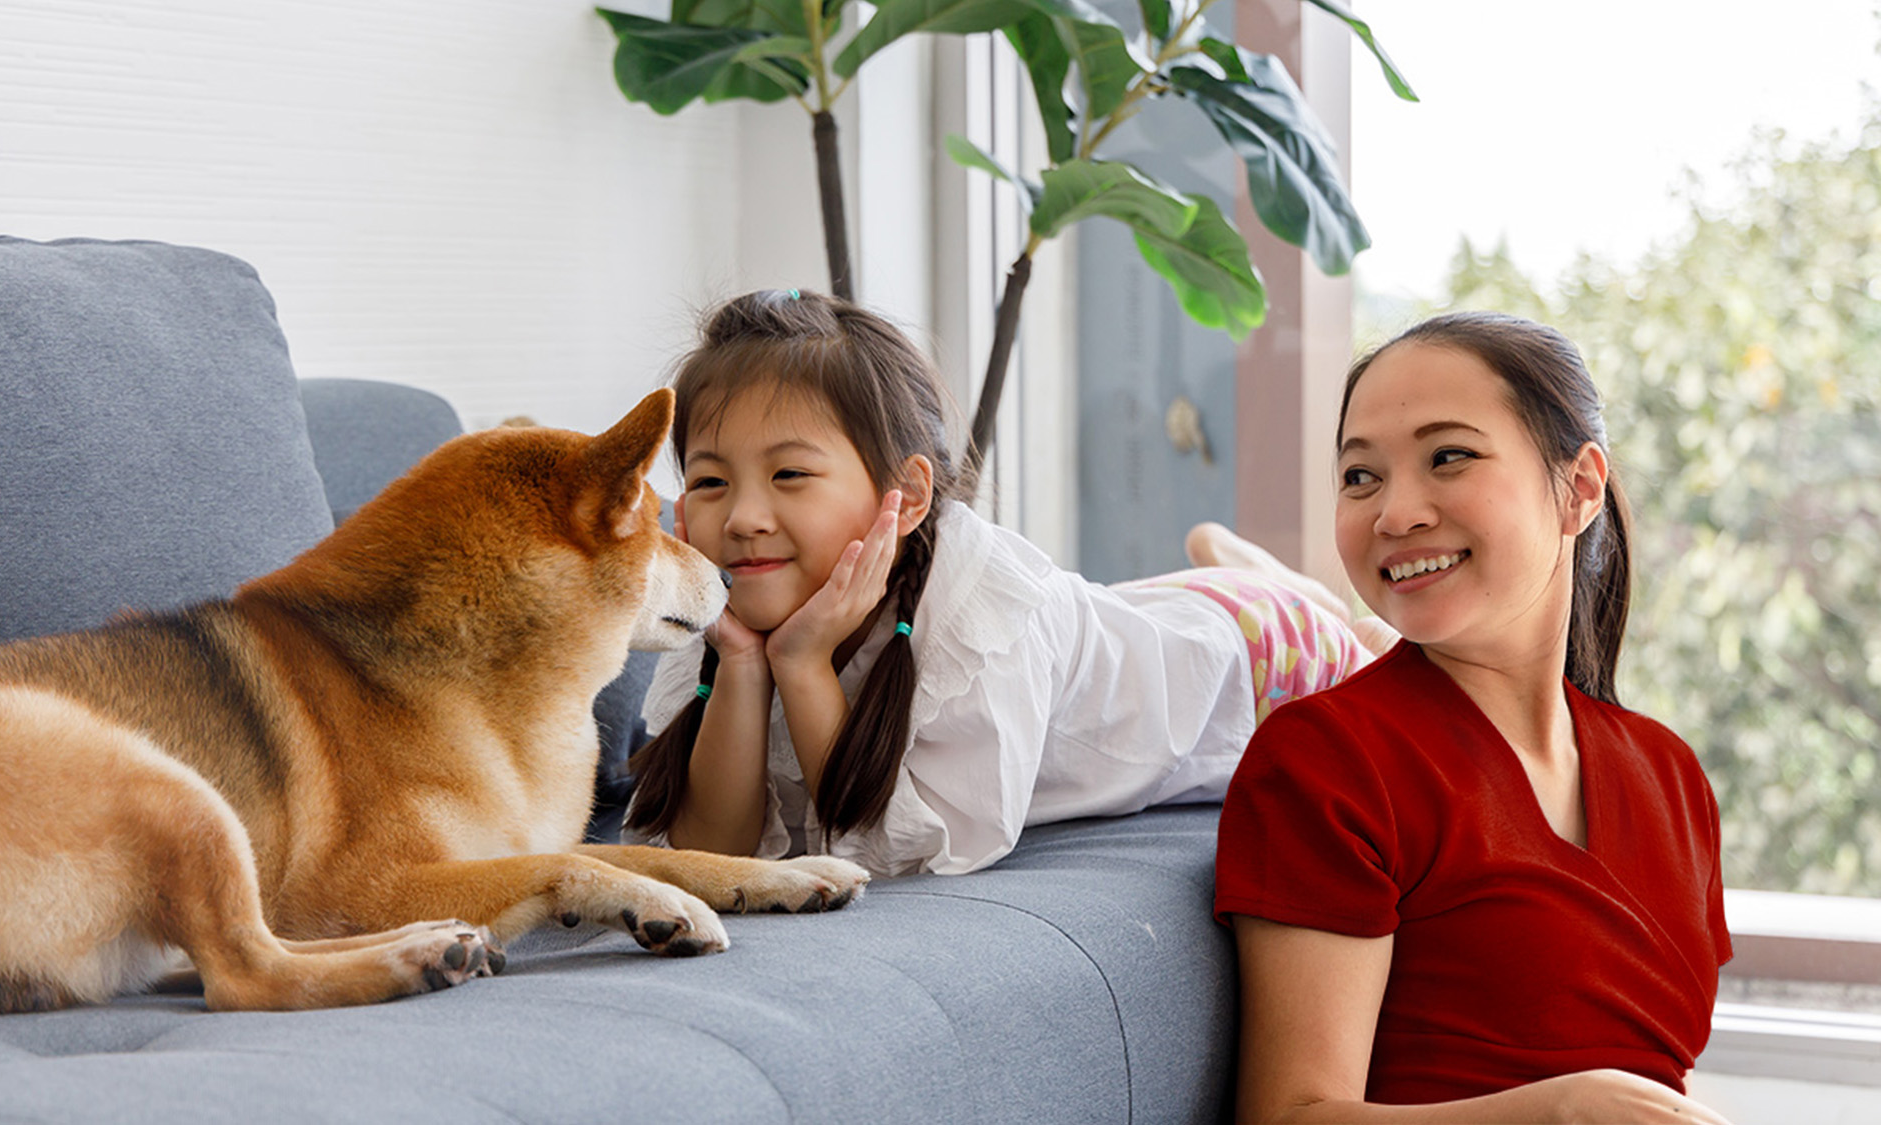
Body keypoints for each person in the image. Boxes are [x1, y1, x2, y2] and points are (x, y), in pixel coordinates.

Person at [623, 288, 1379, 877]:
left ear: (907, 497)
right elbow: (706, 856)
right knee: (1137, 610)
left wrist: (802, 662)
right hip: (1138, 619)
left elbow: (900, 854)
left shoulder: (977, 606)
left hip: (1261, 657)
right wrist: (749, 665)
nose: (745, 516)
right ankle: (1224, 562)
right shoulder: (727, 606)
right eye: (712, 481)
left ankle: (1290, 593)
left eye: (790, 474)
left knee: (1353, 649)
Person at [1213, 311, 1733, 1123]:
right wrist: (1562, 1111)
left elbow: (1658, 1078)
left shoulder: (1671, 775)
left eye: (1447, 456)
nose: (1393, 513)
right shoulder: (1327, 760)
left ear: (1580, 489)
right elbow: (1293, 1113)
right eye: (1361, 476)